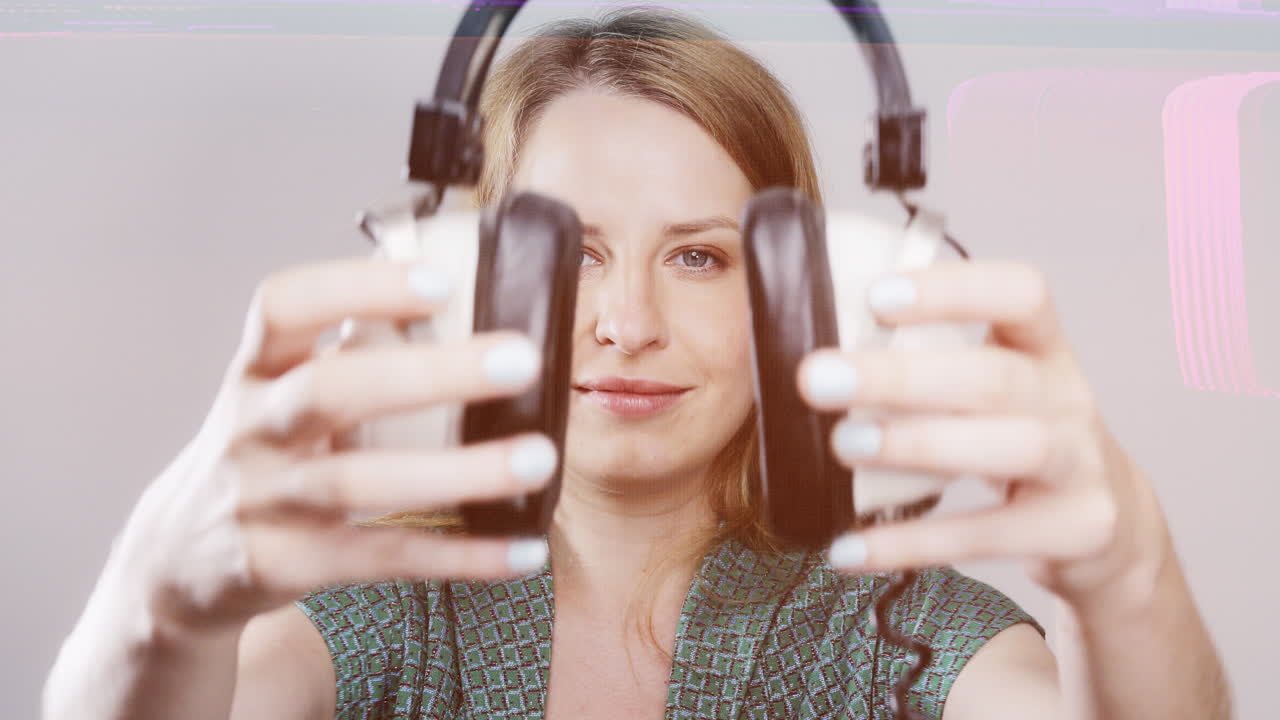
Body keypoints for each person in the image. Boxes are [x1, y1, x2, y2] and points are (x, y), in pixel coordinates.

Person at [43, 7, 1231, 720]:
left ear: (797, 307)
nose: (624, 323)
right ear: (479, 285)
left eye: (699, 258)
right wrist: (158, 608)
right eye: (571, 256)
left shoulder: (916, 628)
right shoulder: (359, 617)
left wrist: (1127, 577)